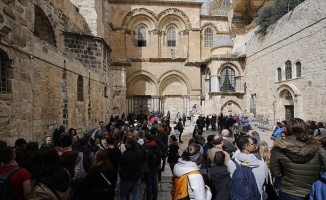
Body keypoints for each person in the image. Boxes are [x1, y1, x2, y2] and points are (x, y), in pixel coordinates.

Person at [270, 118, 326, 199]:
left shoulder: (279, 149)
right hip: (312, 192)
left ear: (287, 130)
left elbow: (275, 173)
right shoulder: (319, 150)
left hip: (288, 192)